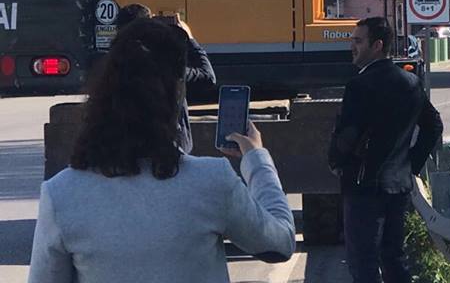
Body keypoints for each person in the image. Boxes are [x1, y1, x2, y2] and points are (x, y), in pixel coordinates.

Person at [28, 17, 295, 283]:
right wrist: (257, 159)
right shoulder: (211, 181)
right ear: (176, 96)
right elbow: (280, 242)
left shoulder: (61, 195)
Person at [328, 16, 443, 283]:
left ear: (377, 45)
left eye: (358, 41)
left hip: (363, 187)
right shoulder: (410, 82)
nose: (352, 47)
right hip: (398, 187)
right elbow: (433, 126)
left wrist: (336, 162)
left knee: (363, 263)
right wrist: (410, 165)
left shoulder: (359, 85)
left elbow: (347, 134)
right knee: (394, 258)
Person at [115, 3, 216, 154]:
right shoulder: (165, 68)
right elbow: (207, 77)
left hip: (127, 154)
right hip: (172, 152)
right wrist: (189, 39)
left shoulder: (110, 71)